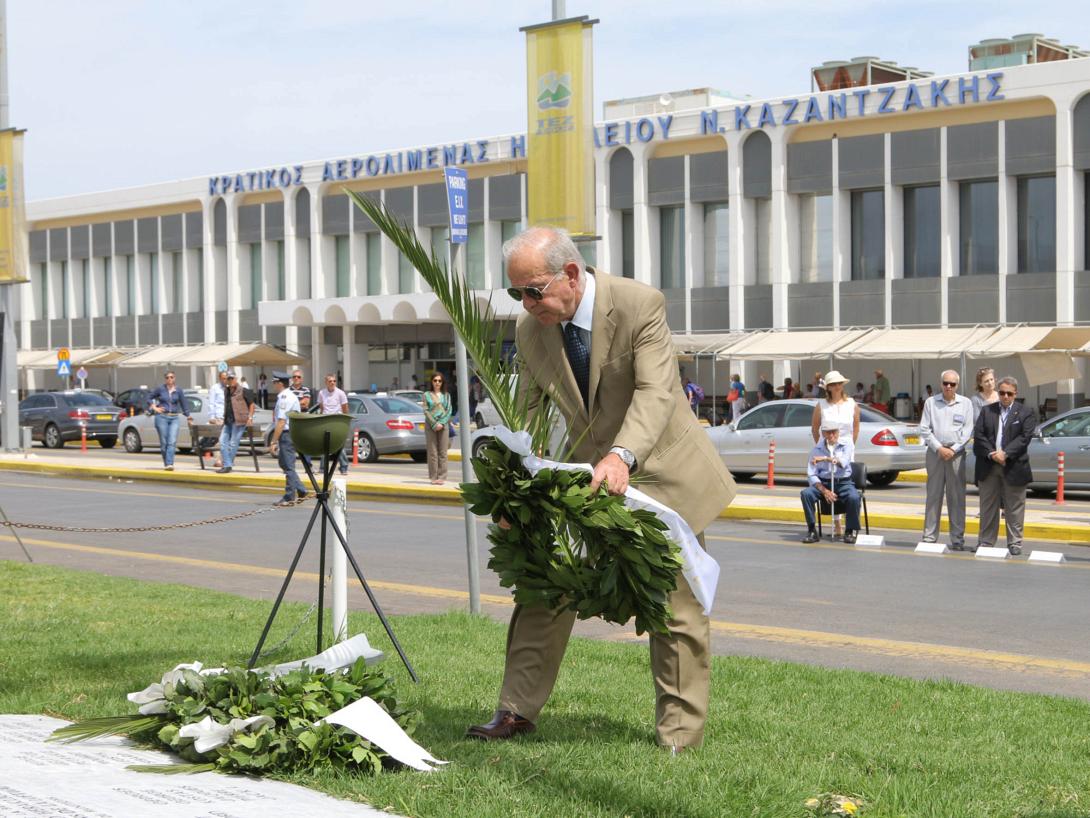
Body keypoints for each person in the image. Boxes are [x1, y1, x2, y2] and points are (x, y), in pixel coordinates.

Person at [465, 226, 736, 753]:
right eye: (516, 293)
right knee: (546, 583)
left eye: (533, 291)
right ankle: (516, 711)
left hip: (659, 470)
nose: (526, 304)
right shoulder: (532, 329)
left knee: (674, 602)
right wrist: (513, 491)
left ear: (570, 274)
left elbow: (656, 391)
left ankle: (679, 735)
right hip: (588, 477)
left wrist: (621, 455)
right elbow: (528, 413)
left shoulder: (639, 304)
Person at [973, 377, 1036, 556]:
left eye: (1009, 393)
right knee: (988, 506)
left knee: (1014, 507)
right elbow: (979, 436)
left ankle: (1015, 542)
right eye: (1002, 393)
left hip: (1014, 465)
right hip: (989, 465)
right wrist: (993, 454)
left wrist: (1005, 453)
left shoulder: (1025, 412)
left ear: (1015, 394)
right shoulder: (987, 411)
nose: (1005, 396)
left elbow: (1024, 437)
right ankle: (986, 541)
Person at [919, 370, 975, 551]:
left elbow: (968, 430)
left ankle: (957, 539)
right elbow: (924, 429)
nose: (948, 387)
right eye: (945, 383)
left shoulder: (966, 403)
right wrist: (939, 448)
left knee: (956, 497)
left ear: (957, 385)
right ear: (941, 383)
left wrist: (953, 449)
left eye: (952, 384)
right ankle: (929, 536)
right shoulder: (931, 402)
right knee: (933, 495)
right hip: (935, 452)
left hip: (956, 454)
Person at [800, 422, 861, 544]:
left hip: (843, 483)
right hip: (824, 483)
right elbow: (811, 474)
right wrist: (825, 491)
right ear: (823, 434)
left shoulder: (847, 445)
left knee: (854, 497)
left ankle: (850, 531)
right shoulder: (816, 450)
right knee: (806, 494)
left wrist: (824, 458)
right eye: (828, 432)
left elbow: (843, 462)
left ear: (838, 432)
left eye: (834, 432)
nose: (832, 435)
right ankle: (812, 530)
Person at [269, 373, 307, 507]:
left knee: (288, 466)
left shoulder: (285, 398)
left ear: (280, 383)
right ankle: (301, 489)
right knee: (284, 463)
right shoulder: (287, 396)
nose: (273, 385)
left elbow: (281, 421)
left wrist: (273, 441)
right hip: (288, 434)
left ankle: (289, 497)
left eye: (274, 383)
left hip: (286, 434)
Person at [147, 371, 193, 471]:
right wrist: (154, 407)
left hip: (174, 418)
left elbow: (184, 403)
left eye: (171, 377)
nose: (169, 379)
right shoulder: (160, 389)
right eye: (167, 377)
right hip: (161, 417)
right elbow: (149, 397)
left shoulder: (178, 390)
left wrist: (188, 416)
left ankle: (169, 464)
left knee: (172, 441)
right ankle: (167, 462)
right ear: (165, 379)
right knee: (164, 443)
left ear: (174, 378)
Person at [216, 371, 256, 474]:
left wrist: (250, 418)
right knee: (222, 441)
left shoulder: (244, 390)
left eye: (232, 378)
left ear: (236, 379)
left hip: (239, 421)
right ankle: (228, 464)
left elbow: (252, 405)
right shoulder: (226, 391)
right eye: (228, 379)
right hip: (228, 421)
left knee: (233, 443)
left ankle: (227, 465)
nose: (230, 381)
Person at [317, 373, 351, 475]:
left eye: (334, 381)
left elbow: (345, 408)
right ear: (326, 382)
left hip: (337, 422)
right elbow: (321, 408)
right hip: (326, 421)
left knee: (339, 445)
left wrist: (345, 422)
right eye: (330, 381)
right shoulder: (322, 393)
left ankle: (344, 467)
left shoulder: (340, 393)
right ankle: (323, 468)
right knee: (325, 445)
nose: (332, 383)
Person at [423, 373, 452, 484]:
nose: (437, 383)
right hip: (430, 426)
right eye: (435, 380)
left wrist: (441, 423)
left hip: (443, 426)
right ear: (431, 382)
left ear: (442, 382)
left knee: (443, 452)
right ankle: (433, 477)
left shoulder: (447, 395)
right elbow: (426, 410)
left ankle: (442, 477)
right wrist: (434, 424)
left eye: (439, 381)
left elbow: (449, 410)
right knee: (432, 452)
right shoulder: (426, 395)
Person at [208, 370, 227, 468]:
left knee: (226, 440)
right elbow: (211, 403)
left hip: (228, 418)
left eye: (226, 378)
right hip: (218, 417)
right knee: (220, 439)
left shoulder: (229, 388)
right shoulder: (215, 388)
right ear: (219, 378)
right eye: (223, 378)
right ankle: (218, 460)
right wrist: (212, 417)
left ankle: (224, 460)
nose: (225, 380)